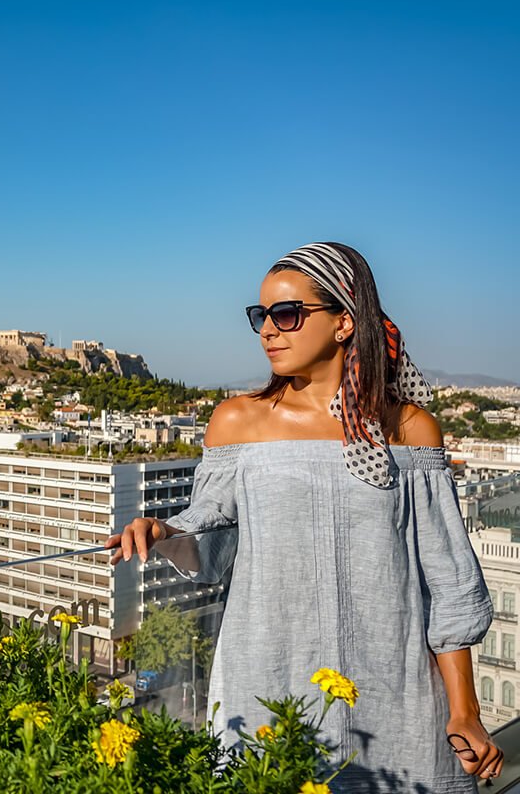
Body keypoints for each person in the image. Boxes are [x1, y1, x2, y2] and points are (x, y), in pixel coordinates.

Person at [106, 242, 501, 791]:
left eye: (287, 314)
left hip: (395, 685)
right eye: (260, 316)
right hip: (268, 678)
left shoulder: (409, 429)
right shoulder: (238, 422)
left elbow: (448, 580)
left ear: (344, 322)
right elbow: (212, 534)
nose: (269, 330)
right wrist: (164, 529)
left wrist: (465, 712)